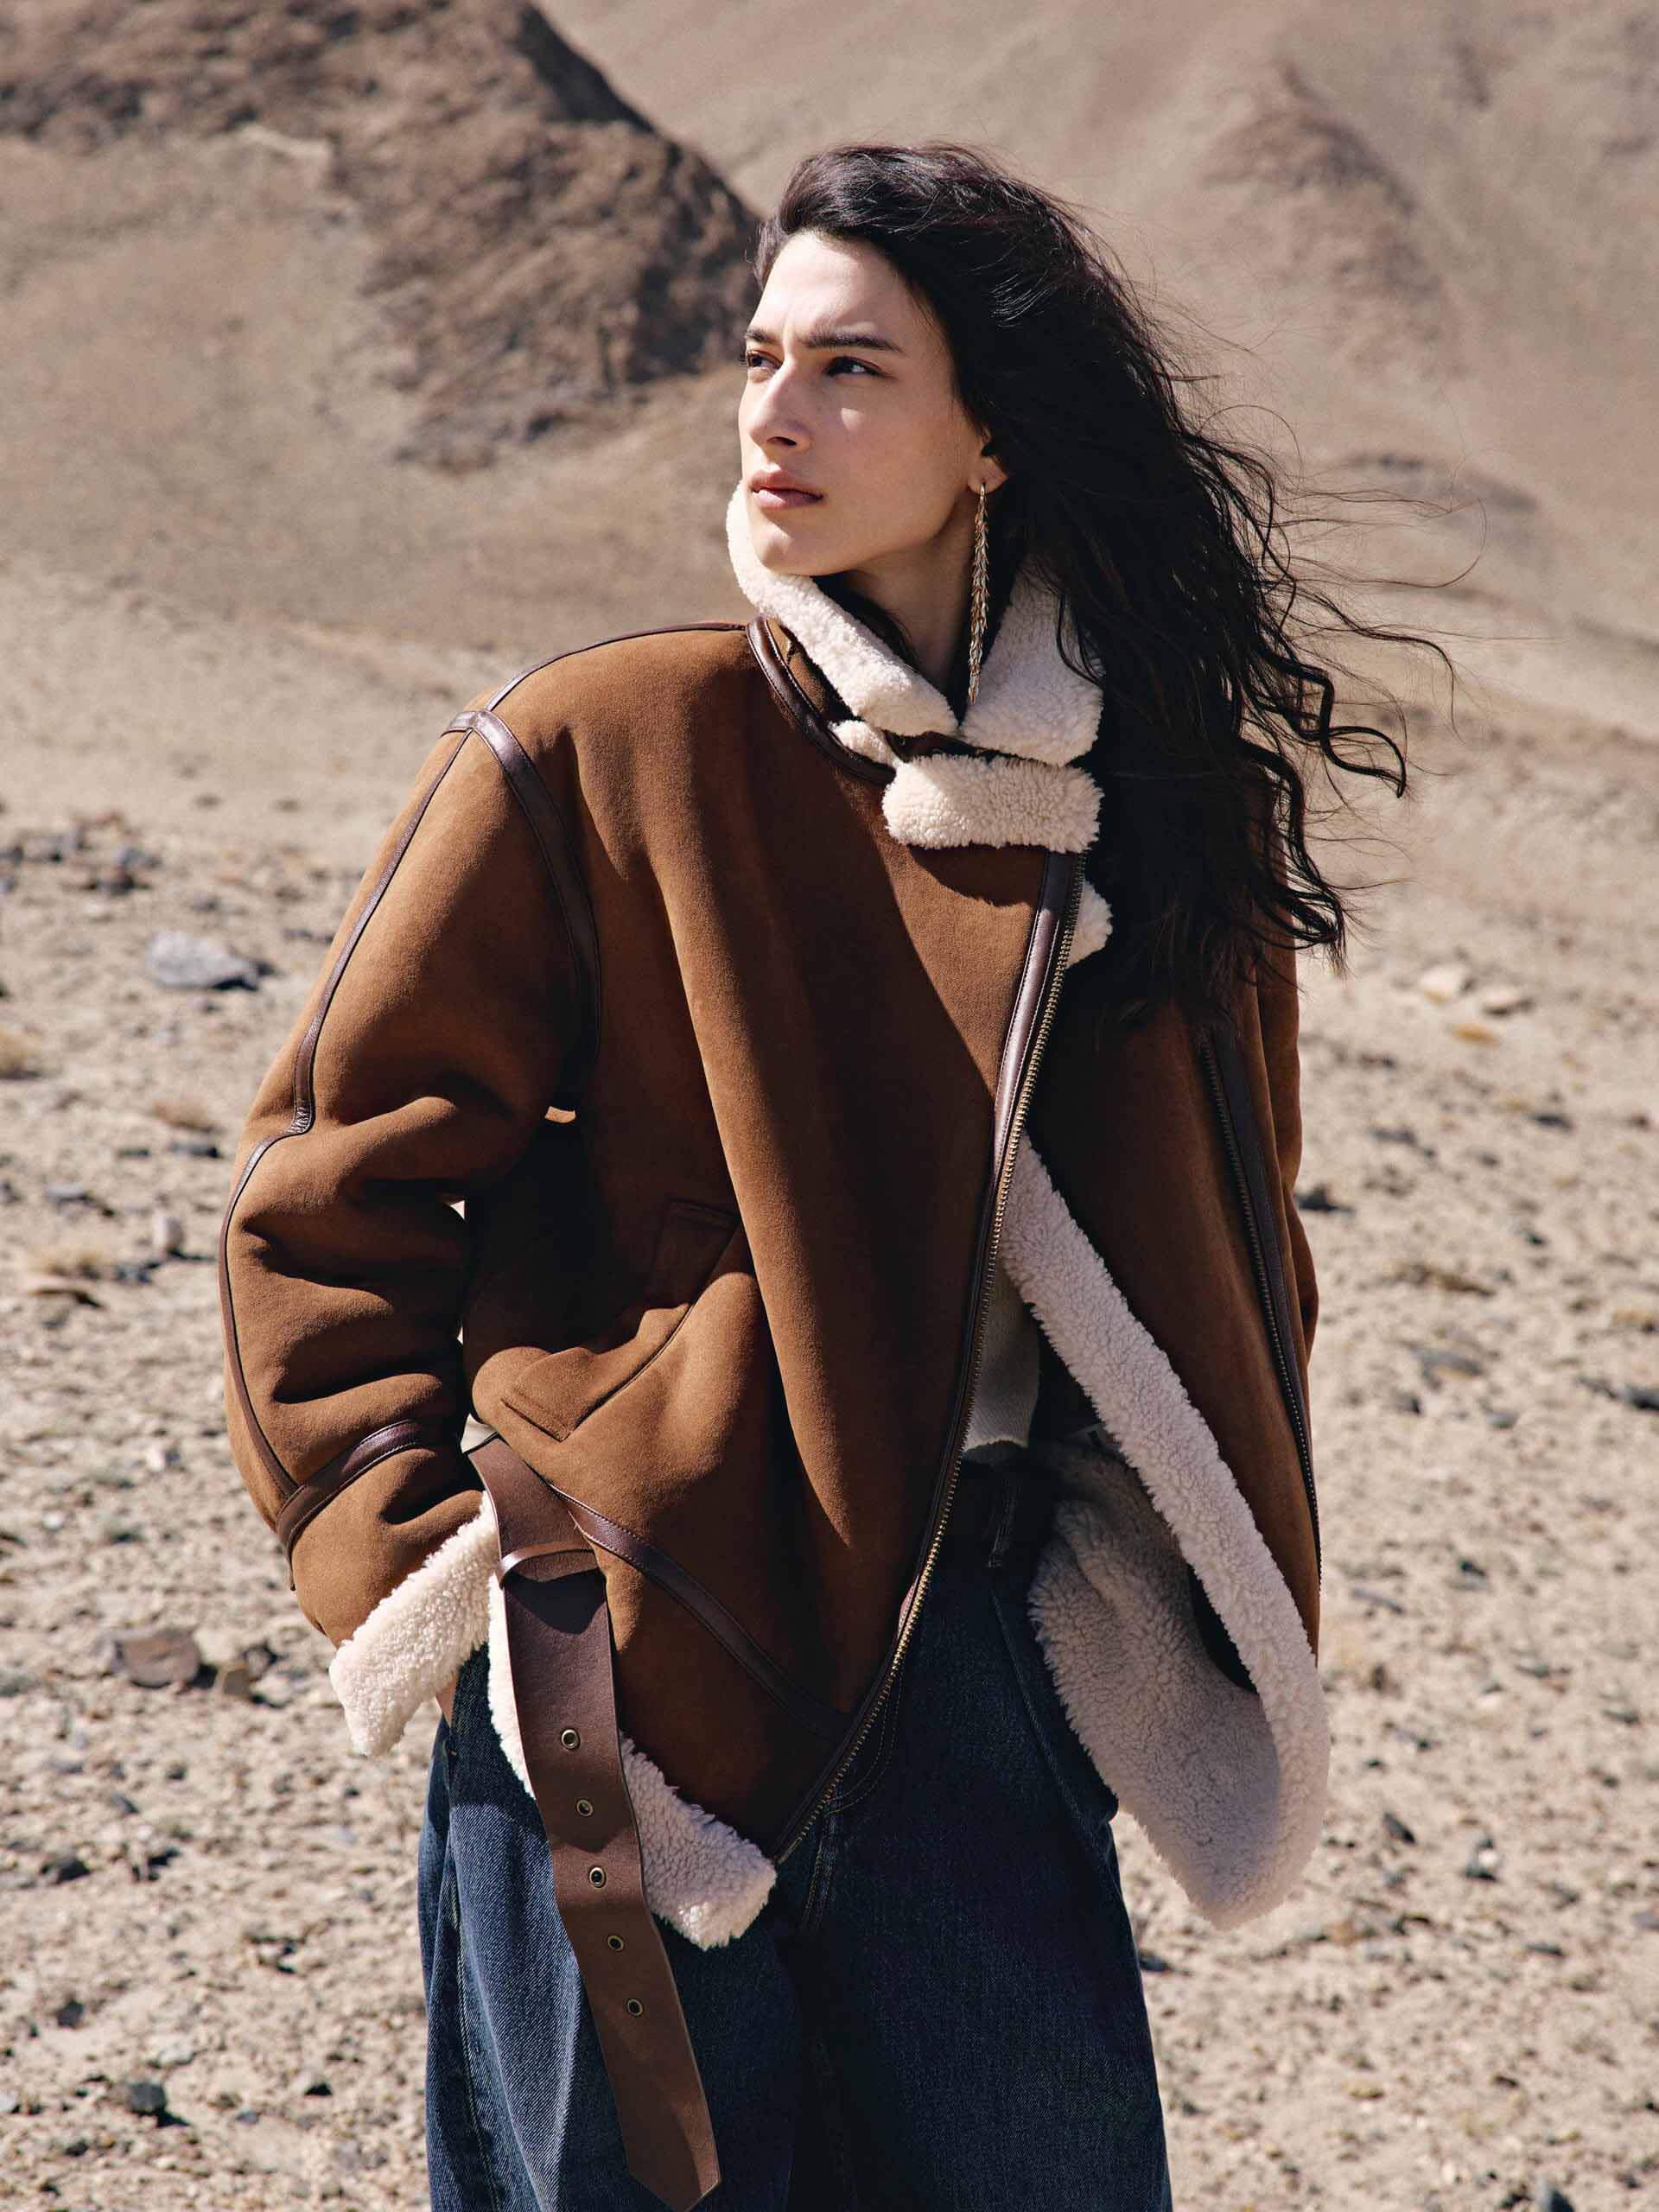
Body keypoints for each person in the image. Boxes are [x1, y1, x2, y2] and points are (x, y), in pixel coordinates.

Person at [219, 138, 1440, 2210]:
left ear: (992, 437)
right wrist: (453, 1576)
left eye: (851, 369)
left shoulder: (1153, 816)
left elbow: (1239, 1252)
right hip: (626, 1652)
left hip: (986, 1677)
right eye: (761, 359)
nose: (775, 415)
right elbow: (322, 1188)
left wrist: (1100, 1611)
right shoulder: (609, 743)